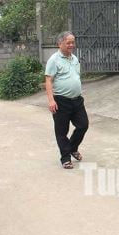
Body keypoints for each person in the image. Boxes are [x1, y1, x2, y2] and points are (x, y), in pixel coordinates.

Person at [45, 31, 89, 169]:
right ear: (60, 43)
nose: (71, 45)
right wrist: (51, 100)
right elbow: (48, 80)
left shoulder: (74, 59)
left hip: (77, 100)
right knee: (61, 131)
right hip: (61, 101)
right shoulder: (54, 60)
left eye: (73, 42)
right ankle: (65, 158)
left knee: (83, 125)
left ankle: (72, 147)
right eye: (68, 42)